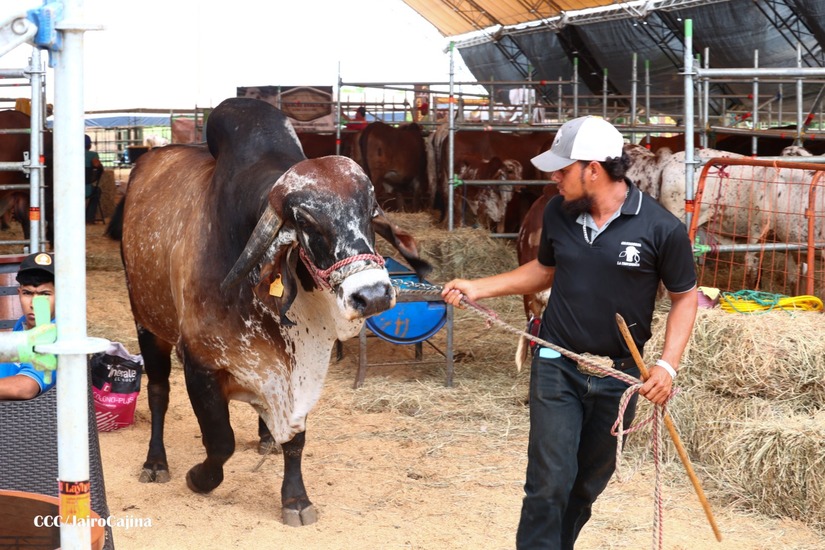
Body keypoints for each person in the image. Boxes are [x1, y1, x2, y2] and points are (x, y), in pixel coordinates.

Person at [441, 116, 698, 549]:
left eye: (562, 169)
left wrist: (667, 366)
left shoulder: (661, 228)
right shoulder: (558, 212)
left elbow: (685, 298)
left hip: (618, 375)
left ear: (593, 169)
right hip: (556, 363)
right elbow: (544, 271)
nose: (554, 178)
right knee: (548, 484)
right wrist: (478, 287)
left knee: (585, 486)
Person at [0, 252, 57, 400]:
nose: (34, 304)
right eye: (27, 293)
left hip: (17, 412)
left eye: (44, 294)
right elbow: (8, 355)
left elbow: (24, 388)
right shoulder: (23, 323)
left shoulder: (54, 335)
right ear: (19, 293)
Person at [85, 134, 104, 224]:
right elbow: (96, 164)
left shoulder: (70, 154)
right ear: (89, 145)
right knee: (97, 191)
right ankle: (89, 217)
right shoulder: (93, 154)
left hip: (70, 190)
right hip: (86, 190)